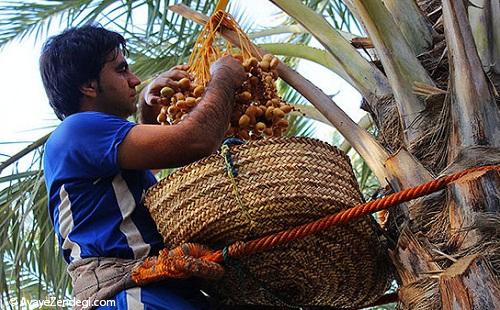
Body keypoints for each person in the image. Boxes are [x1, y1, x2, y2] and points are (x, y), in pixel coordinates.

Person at [40, 24, 246, 309]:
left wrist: (147, 116)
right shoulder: (77, 128)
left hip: (156, 288)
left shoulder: (91, 143)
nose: (135, 80)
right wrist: (223, 77)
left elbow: (136, 196)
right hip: (127, 291)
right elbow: (197, 141)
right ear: (88, 86)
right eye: (121, 69)